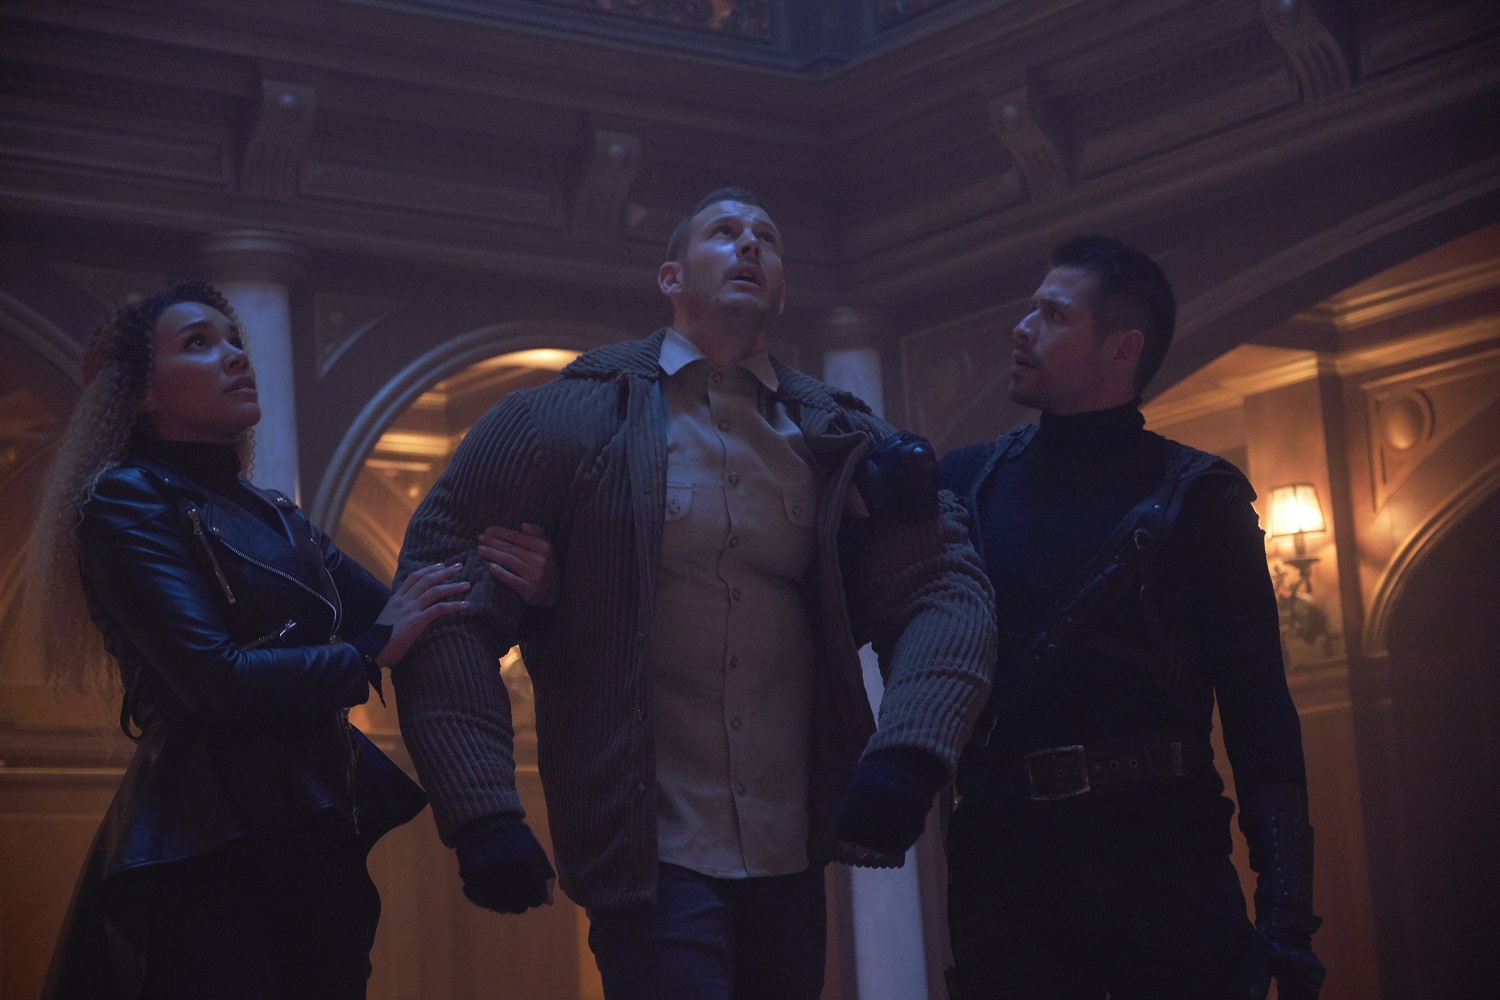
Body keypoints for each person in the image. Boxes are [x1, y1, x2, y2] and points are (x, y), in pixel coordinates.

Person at [392, 187, 997, 999]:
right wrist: (482, 811)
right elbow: (442, 602)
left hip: (787, 839)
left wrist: (910, 753)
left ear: (781, 287)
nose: (749, 245)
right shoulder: (560, 420)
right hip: (650, 844)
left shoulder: (841, 435)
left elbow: (944, 589)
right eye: (725, 232)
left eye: (766, 239)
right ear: (670, 278)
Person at [26, 282, 550, 999]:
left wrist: (522, 585)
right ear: (141, 393)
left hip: (316, 825)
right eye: (198, 344)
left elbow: (420, 617)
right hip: (207, 839)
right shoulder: (125, 498)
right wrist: (370, 649)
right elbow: (217, 682)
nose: (235, 355)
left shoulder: (275, 513)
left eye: (234, 340)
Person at [939, 237, 1325, 1000]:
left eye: (1053, 315)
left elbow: (1259, 713)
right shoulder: (966, 484)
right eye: (1031, 308)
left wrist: (1287, 914)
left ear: (1123, 349)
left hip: (1167, 868)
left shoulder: (1202, 500)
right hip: (1010, 875)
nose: (1023, 327)